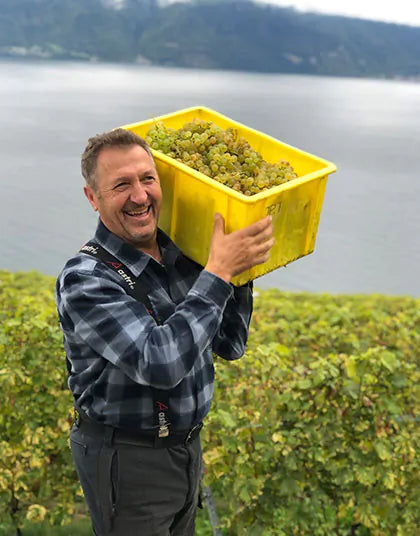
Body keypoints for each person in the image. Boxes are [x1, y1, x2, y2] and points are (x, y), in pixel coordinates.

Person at [55, 127, 273, 536]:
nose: (139, 196)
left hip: (185, 449)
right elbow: (160, 362)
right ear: (92, 198)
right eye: (121, 185)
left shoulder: (182, 257)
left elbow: (230, 344)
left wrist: (240, 273)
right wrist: (219, 270)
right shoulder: (86, 279)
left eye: (147, 179)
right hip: (128, 459)